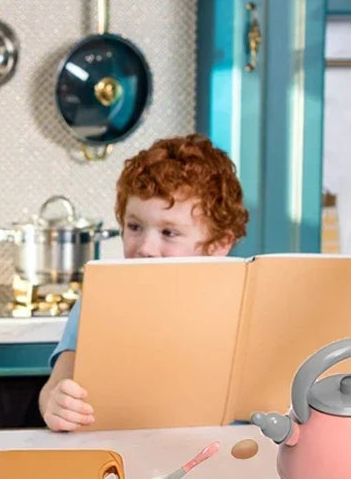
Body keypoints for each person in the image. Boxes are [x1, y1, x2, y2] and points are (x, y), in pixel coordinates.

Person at [38, 134, 249, 431]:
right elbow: (55, 386)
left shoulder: (242, 305)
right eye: (135, 226)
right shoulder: (101, 297)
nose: (146, 248)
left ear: (219, 244)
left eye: (169, 233)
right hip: (122, 449)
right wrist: (55, 404)